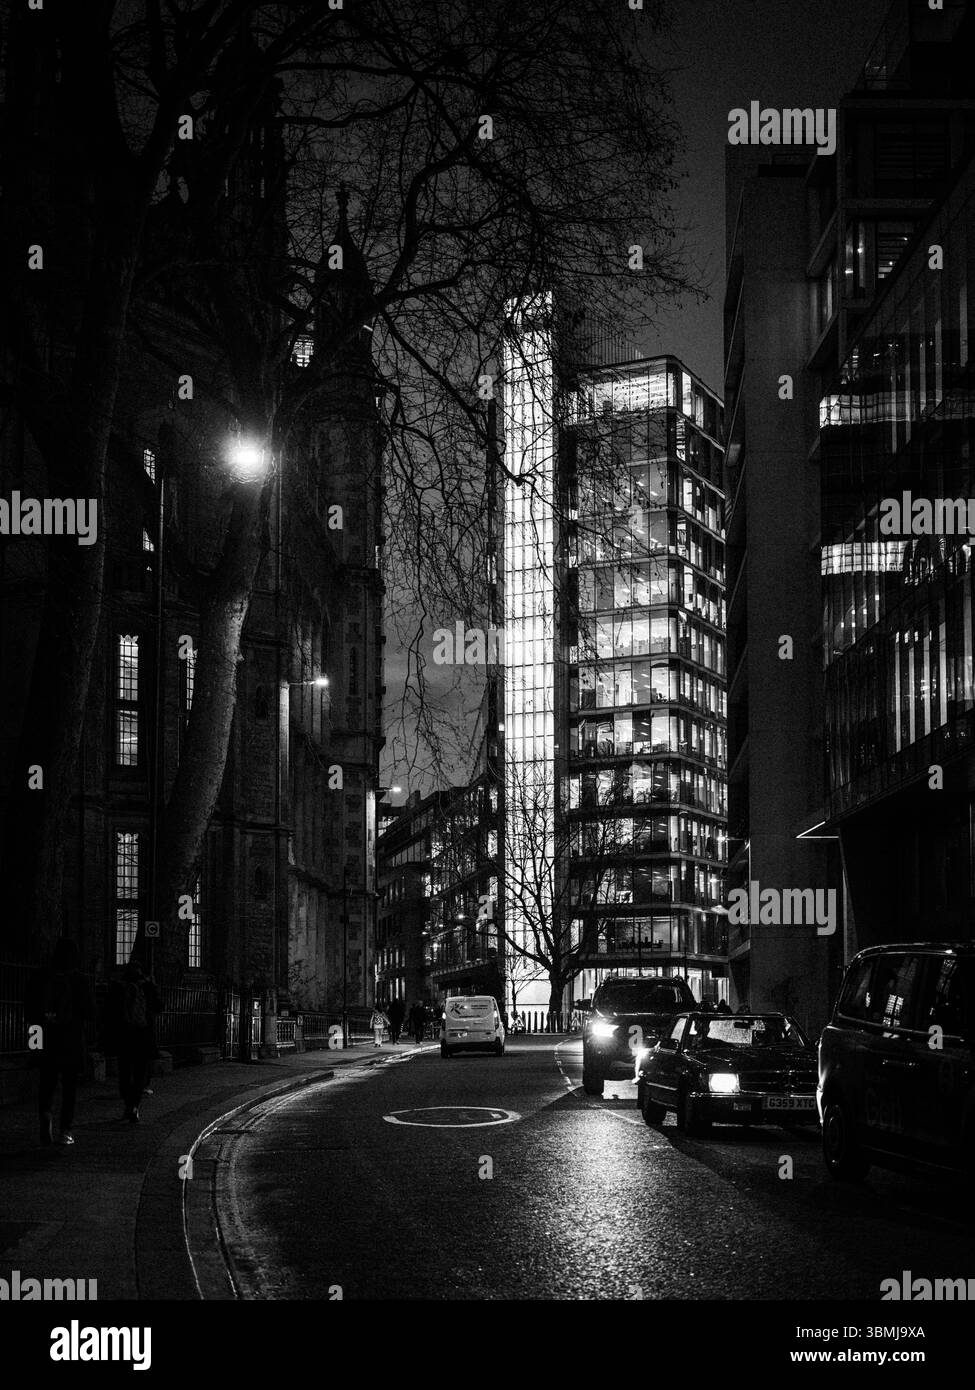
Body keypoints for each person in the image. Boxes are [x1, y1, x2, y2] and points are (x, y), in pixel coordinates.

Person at [25, 938, 95, 1147]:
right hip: (70, 1039)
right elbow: (89, 1011)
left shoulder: (39, 976)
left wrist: (34, 1043)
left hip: (46, 1037)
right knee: (69, 1087)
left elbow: (30, 1010)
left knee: (46, 1081)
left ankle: (46, 1114)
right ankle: (66, 1129)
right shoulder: (79, 980)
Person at [104, 960, 158, 1123]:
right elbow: (158, 1006)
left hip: (125, 1036)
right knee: (140, 1073)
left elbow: (109, 1011)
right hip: (143, 1035)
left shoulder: (119, 987)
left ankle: (128, 1104)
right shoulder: (147, 987)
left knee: (125, 1072)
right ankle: (134, 1105)